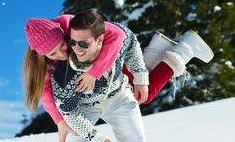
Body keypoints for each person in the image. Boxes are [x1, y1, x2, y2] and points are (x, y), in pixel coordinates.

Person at [24, 10, 214, 142]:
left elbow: (119, 34)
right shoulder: (46, 66)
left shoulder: (73, 28)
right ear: (41, 55)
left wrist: (94, 72)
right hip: (96, 88)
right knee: (140, 91)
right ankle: (160, 49)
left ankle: (182, 51)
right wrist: (59, 120)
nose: (62, 54)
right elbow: (46, 92)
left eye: (62, 46)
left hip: (109, 70)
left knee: (140, 94)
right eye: (52, 54)